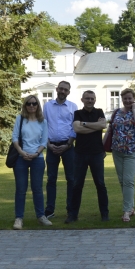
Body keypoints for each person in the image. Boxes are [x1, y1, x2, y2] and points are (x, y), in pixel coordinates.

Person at [10, 95, 51, 230]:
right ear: (25, 105)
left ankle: (41, 216)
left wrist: (37, 153)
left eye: (34, 104)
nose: (32, 106)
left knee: (37, 189)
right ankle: (19, 218)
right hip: (21, 158)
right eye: (29, 104)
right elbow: (15, 137)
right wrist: (21, 152)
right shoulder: (20, 119)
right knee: (21, 189)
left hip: (37, 158)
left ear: (38, 105)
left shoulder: (42, 121)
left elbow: (44, 140)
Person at [70, 90, 110, 222]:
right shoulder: (77, 113)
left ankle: (105, 214)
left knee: (100, 184)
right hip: (80, 154)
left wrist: (85, 124)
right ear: (82, 100)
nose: (90, 101)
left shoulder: (99, 112)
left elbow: (103, 125)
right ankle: (73, 215)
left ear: (95, 100)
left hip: (97, 153)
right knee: (77, 185)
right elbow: (77, 129)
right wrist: (95, 126)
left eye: (92, 98)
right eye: (87, 98)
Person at [110, 88, 135, 222]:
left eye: (130, 98)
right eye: (125, 98)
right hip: (117, 151)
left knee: (128, 181)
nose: (127, 100)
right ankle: (131, 207)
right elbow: (111, 130)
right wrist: (102, 147)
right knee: (122, 181)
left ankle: (126, 211)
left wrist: (134, 110)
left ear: (134, 99)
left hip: (133, 151)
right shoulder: (117, 113)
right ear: (122, 99)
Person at [43, 81, 77, 222]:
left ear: (69, 92)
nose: (63, 91)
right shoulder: (47, 106)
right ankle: (50, 210)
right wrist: (48, 144)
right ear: (57, 89)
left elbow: (74, 127)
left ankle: (71, 210)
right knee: (51, 179)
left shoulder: (72, 106)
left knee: (71, 179)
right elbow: (43, 125)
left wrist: (68, 144)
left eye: (66, 89)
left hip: (67, 147)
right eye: (61, 88)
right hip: (51, 147)